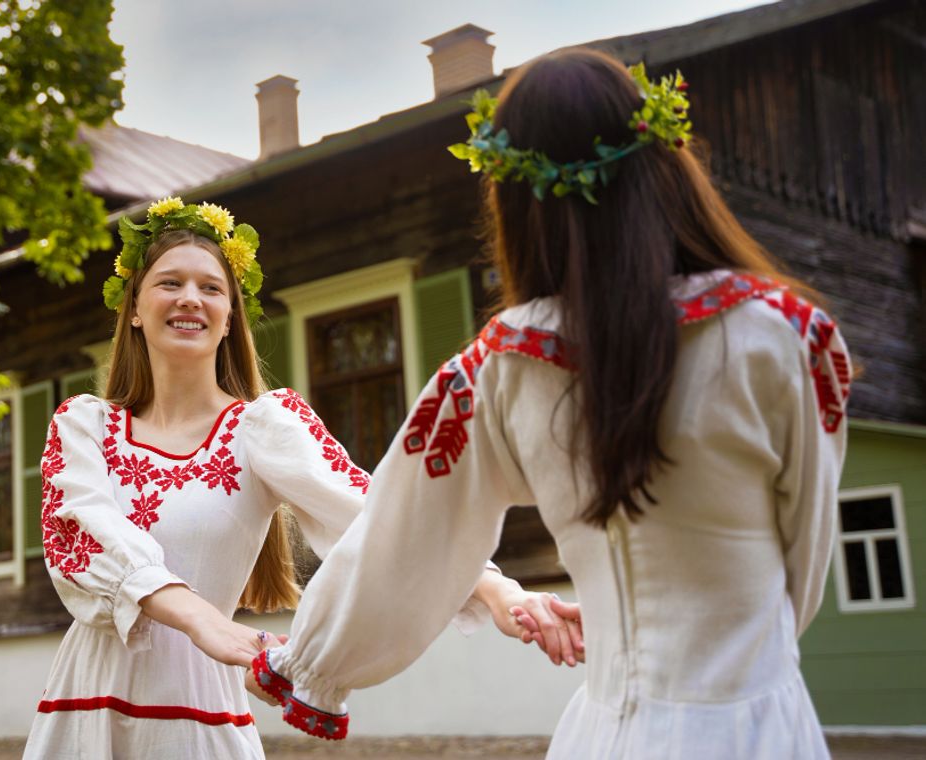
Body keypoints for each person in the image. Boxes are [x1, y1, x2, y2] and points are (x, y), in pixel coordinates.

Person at [250, 49, 851, 759]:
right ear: (665, 165)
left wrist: (308, 665)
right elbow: (802, 563)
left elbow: (398, 539)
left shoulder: (497, 370)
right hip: (758, 728)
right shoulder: (786, 336)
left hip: (607, 734)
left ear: (516, 201)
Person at [22, 198, 580, 759]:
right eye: (170, 282)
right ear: (135, 309)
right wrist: (200, 621)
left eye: (212, 288)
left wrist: (501, 592)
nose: (191, 298)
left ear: (231, 316)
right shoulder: (84, 426)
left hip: (198, 719)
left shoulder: (261, 428)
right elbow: (83, 538)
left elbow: (381, 517)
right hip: (83, 713)